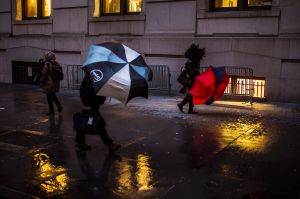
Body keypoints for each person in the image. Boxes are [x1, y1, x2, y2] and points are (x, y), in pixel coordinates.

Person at [75, 74, 121, 152]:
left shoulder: (99, 76)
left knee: (85, 122)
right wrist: (87, 104)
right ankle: (109, 145)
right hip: (91, 105)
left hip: (94, 104)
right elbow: (85, 91)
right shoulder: (90, 77)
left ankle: (80, 142)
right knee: (99, 124)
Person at [177, 44, 205, 114]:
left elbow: (194, 70)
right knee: (191, 94)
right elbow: (191, 72)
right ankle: (181, 105)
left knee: (191, 94)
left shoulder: (193, 61)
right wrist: (196, 76)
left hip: (192, 80)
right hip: (191, 80)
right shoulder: (190, 62)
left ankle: (189, 109)